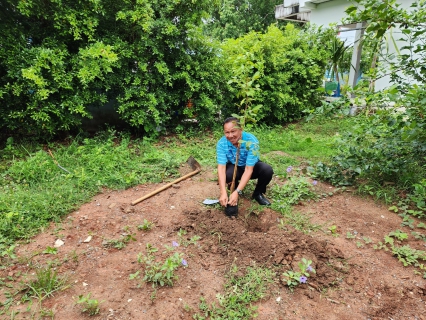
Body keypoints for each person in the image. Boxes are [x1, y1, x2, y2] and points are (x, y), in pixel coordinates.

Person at [216, 117, 273, 208]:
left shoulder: (251, 141)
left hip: (250, 167)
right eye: (227, 132)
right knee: (228, 174)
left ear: (240, 130)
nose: (230, 135)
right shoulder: (222, 143)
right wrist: (223, 192)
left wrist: (238, 192)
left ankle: (258, 194)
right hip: (235, 167)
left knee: (267, 170)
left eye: (233, 131)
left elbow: (248, 169)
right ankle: (233, 187)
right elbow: (221, 168)